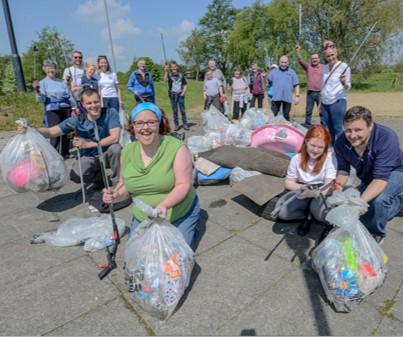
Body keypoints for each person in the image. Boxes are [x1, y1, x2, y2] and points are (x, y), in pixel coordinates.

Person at [102, 102, 200, 249]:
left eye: (151, 122)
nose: (145, 127)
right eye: (139, 123)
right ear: (132, 126)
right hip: (145, 216)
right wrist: (115, 195)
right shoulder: (127, 151)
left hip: (177, 212)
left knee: (174, 256)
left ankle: (192, 226)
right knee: (138, 256)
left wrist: (164, 205)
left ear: (159, 124)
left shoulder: (176, 147)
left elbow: (183, 184)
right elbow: (124, 185)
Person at [20, 88, 121, 188]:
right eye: (89, 103)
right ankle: (100, 179)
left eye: (96, 102)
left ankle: (119, 183)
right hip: (89, 157)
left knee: (116, 148)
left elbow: (115, 137)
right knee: (75, 176)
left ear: (101, 101)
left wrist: (88, 144)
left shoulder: (110, 113)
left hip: (107, 154)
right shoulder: (77, 120)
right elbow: (51, 131)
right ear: (83, 105)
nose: (94, 106)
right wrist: (31, 129)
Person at [334, 106, 403, 244]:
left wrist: (359, 204)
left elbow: (380, 180)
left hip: (395, 172)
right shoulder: (340, 142)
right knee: (351, 202)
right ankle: (397, 205)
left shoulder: (386, 137)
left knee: (379, 200)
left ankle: (377, 232)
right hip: (369, 176)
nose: (352, 136)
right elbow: (343, 171)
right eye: (348, 130)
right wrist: (336, 191)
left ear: (370, 126)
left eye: (358, 130)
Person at [273, 125, 337, 236]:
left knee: (322, 214)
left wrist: (315, 193)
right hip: (302, 190)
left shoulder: (330, 159)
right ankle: (306, 215)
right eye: (312, 145)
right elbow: (288, 182)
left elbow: (329, 185)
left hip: (321, 192)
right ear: (306, 141)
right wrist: (301, 188)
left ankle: (313, 215)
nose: (315, 150)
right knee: (282, 212)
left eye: (320, 147)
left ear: (326, 147)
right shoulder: (296, 159)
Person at [32, 59, 76, 157]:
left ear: (56, 69)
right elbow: (41, 99)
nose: (51, 69)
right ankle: (55, 154)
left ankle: (65, 152)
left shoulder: (62, 82)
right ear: (44, 70)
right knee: (54, 132)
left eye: (52, 67)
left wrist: (74, 107)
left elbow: (69, 95)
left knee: (66, 130)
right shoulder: (42, 83)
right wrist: (37, 91)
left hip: (65, 108)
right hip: (52, 110)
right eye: (48, 68)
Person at [320, 42, 351, 143]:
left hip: (337, 101)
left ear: (336, 53)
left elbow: (348, 86)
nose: (330, 58)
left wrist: (343, 83)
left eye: (332, 55)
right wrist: (321, 102)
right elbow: (323, 86)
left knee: (338, 128)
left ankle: (343, 152)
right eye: (328, 56)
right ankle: (333, 150)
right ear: (325, 56)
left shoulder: (344, 67)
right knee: (330, 130)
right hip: (325, 103)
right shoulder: (324, 68)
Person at [296, 43, 324, 127]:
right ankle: (307, 124)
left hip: (321, 93)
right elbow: (300, 59)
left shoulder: (324, 67)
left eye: (316, 58)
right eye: (312, 58)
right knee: (308, 110)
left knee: (322, 110)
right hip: (310, 93)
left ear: (319, 59)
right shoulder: (308, 67)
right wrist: (298, 51)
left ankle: (323, 125)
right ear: (311, 59)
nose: (314, 60)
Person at [268, 55, 300, 121]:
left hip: (287, 98)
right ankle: (273, 130)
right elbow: (268, 80)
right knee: (273, 115)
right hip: (276, 98)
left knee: (286, 116)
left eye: (285, 62)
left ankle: (286, 130)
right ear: (279, 62)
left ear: (288, 62)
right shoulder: (273, 72)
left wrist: (297, 96)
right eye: (282, 62)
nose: (283, 64)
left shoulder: (292, 72)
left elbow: (296, 85)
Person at [164, 60, 189, 131]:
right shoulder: (169, 75)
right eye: (172, 67)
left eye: (175, 66)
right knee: (175, 111)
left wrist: (183, 93)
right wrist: (166, 71)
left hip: (180, 95)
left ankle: (185, 124)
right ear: (171, 68)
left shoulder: (181, 75)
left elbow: (185, 84)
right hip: (172, 95)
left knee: (182, 110)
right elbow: (165, 80)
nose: (174, 68)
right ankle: (176, 125)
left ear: (177, 67)